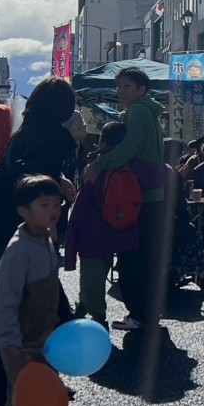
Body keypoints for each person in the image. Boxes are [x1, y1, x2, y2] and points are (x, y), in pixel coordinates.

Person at [0, 77, 77, 406]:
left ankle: (35, 384)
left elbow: (28, 176)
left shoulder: (27, 131)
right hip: (20, 231)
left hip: (3, 225)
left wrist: (57, 180)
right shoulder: (52, 137)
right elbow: (32, 181)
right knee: (20, 313)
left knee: (39, 310)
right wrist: (49, 217)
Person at [0, 174, 66, 406]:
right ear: (24, 211)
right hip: (20, 339)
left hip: (43, 333)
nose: (53, 210)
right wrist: (8, 339)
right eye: (44, 205)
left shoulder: (45, 237)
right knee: (22, 394)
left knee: (39, 385)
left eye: (57, 204)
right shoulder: (18, 251)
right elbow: (4, 300)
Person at [84, 68, 167, 332]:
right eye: (119, 86)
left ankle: (139, 315)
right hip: (152, 194)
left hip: (136, 195)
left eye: (127, 86)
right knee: (146, 257)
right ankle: (148, 314)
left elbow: (128, 148)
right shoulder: (149, 111)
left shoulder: (138, 111)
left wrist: (98, 164)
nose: (121, 91)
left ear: (142, 89)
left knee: (132, 257)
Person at [64, 121, 139, 324]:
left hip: (94, 229)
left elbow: (82, 204)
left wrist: (72, 238)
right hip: (124, 227)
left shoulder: (95, 166)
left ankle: (97, 316)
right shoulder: (132, 163)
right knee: (102, 270)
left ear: (102, 142)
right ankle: (84, 305)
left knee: (92, 274)